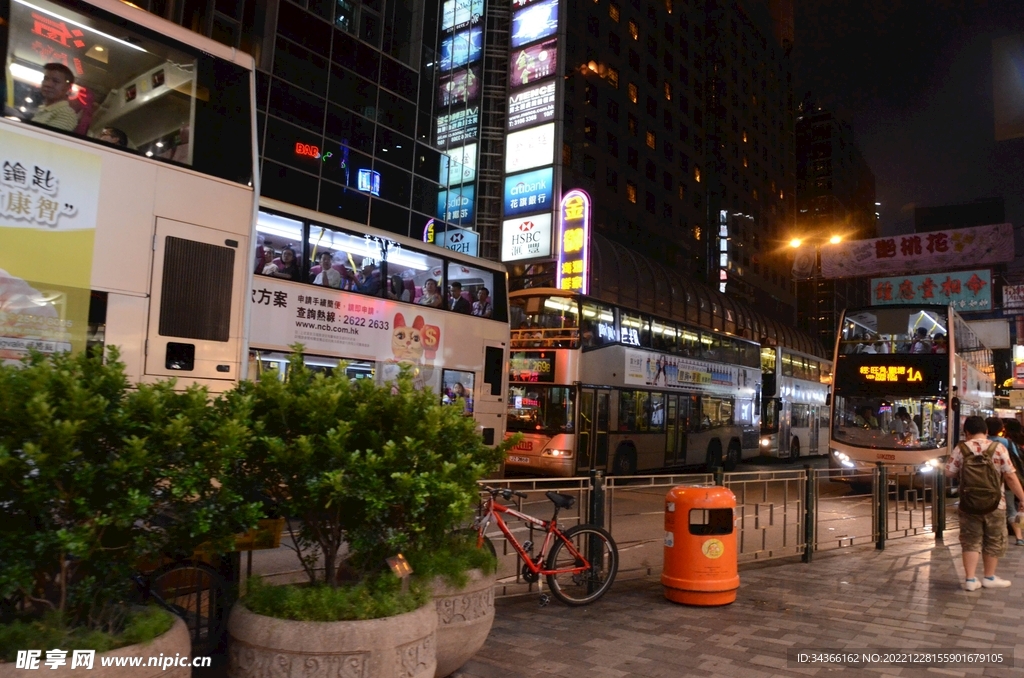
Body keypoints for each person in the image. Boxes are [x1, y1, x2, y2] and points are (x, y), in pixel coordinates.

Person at [945, 416, 1024, 590]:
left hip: (968, 503)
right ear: (986, 431)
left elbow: (949, 473)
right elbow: (1010, 476)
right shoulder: (999, 448)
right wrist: (1022, 497)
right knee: (993, 539)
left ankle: (970, 580)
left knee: (970, 540)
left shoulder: (961, 448)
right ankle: (989, 577)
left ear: (967, 432)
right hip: (996, 504)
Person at [989, 418, 1024, 546]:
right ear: (1000, 429)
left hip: (987, 483)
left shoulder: (982, 443)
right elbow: (1017, 459)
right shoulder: (1007, 443)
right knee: (1011, 509)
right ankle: (1019, 537)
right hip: (1006, 481)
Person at [31, 63, 79, 132]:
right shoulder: (43, 109)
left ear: (68, 87)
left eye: (56, 81)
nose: (48, 84)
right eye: (46, 78)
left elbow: (46, 140)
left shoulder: (66, 114)